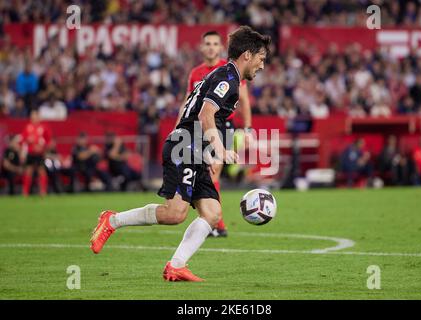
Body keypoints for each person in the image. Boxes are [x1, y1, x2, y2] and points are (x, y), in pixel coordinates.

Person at [90, 26, 270, 282]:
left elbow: (199, 111)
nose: (262, 66)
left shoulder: (225, 75)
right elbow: (205, 114)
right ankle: (112, 220)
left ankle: (176, 265)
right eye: (261, 59)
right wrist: (219, 150)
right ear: (248, 55)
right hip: (186, 147)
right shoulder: (227, 79)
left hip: (196, 149)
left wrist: (208, 152)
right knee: (175, 214)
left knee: (211, 213)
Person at [174, 30, 253, 237]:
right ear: (202, 48)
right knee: (206, 173)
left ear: (220, 48)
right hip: (199, 128)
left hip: (223, 126)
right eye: (207, 43)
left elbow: (244, 100)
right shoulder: (195, 73)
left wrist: (247, 128)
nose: (211, 47)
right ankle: (214, 221)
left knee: (213, 170)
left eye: (215, 44)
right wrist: (177, 127)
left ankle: (216, 223)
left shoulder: (229, 71)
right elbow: (187, 101)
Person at [20, 110, 52, 196]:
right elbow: (23, 140)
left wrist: (43, 147)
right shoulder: (27, 127)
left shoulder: (44, 127)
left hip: (40, 154)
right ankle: (25, 192)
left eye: (35, 116)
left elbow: (49, 142)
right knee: (28, 171)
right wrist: (27, 141)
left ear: (39, 117)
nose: (34, 118)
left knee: (41, 171)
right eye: (32, 116)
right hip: (30, 153)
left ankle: (43, 191)